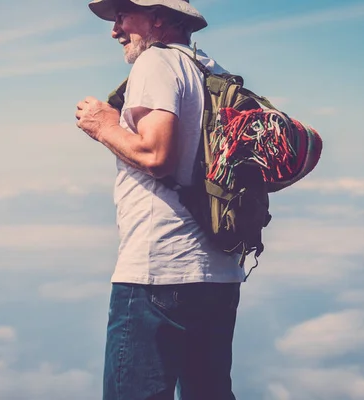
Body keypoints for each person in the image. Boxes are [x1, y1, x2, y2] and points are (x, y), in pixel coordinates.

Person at [75, 1, 244, 399]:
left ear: (158, 18)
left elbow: (156, 155)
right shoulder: (211, 70)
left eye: (121, 17)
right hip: (218, 272)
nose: (115, 31)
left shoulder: (156, 63)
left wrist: (104, 125)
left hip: (159, 270)